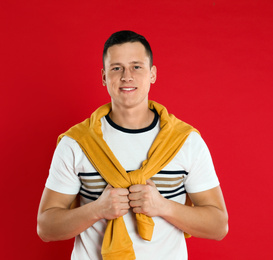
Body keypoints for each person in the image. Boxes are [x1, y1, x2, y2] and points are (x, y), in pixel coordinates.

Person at [37, 30, 228, 260]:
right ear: (104, 77)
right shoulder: (76, 143)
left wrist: (163, 206)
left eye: (137, 66)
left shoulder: (186, 142)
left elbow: (218, 226)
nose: (127, 76)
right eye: (116, 68)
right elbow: (46, 227)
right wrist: (97, 209)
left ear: (152, 74)